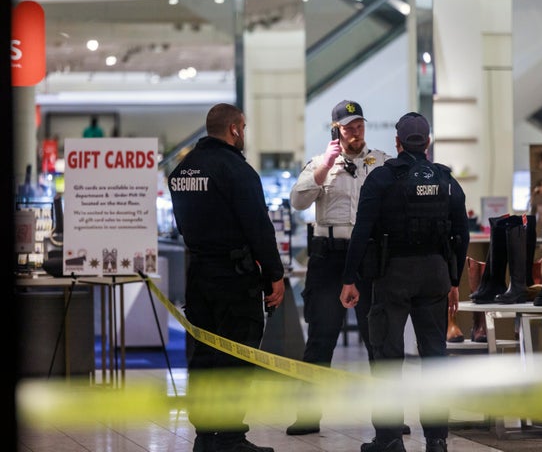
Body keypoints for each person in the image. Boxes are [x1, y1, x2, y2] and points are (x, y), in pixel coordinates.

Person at [340, 112, 470, 452]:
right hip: (435, 275)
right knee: (435, 357)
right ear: (427, 142)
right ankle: (437, 441)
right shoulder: (445, 180)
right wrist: (453, 279)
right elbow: (462, 232)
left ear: (398, 143)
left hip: (392, 275)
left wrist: (349, 278)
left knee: (387, 355)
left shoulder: (382, 178)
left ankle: (389, 440)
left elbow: (362, 231)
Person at [168, 103, 285, 452]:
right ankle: (231, 437)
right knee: (238, 354)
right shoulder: (237, 170)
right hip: (235, 278)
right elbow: (258, 228)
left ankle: (205, 436)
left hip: (199, 275)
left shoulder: (182, 169)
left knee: (203, 356)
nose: (244, 134)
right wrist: (274, 275)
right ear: (234, 129)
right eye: (244, 128)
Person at [286, 99, 392, 435]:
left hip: (369, 257)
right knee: (321, 337)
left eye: (359, 125)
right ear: (337, 130)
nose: (355, 132)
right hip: (328, 256)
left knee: (378, 338)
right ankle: (308, 415)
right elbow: (298, 201)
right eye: (349, 127)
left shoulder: (381, 163)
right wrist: (325, 166)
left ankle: (388, 420)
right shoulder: (320, 163)